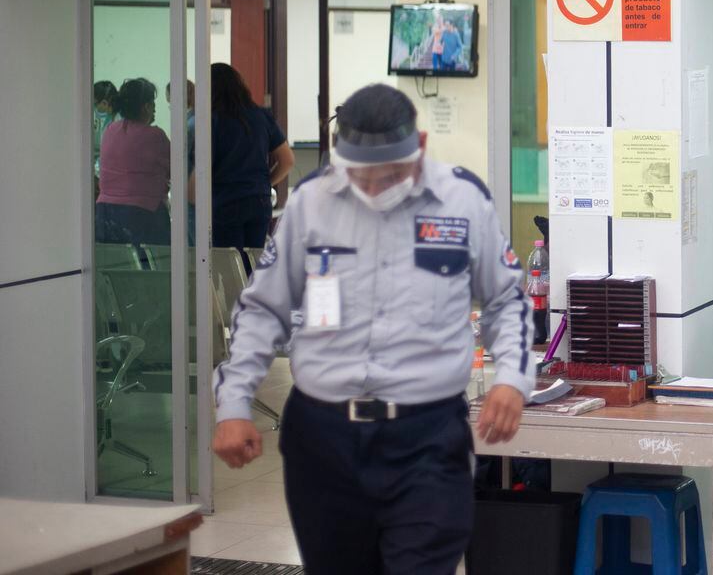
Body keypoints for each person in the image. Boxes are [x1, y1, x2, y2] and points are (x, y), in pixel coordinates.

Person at [212, 83, 535, 575]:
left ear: (420, 147)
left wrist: (511, 378)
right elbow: (262, 310)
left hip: (428, 438)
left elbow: (506, 299)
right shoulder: (310, 203)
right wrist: (234, 402)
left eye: (391, 175)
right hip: (323, 440)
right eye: (361, 175)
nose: (375, 189)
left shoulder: (462, 202)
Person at [188, 64, 294, 271]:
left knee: (229, 269)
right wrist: (265, 183)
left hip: (225, 204)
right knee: (253, 263)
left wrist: (192, 197)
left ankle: (236, 303)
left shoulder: (211, 121)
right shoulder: (261, 116)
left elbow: (199, 175)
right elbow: (287, 160)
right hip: (258, 201)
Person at [95, 77, 171, 247]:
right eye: (153, 103)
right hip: (143, 216)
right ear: (146, 106)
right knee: (155, 269)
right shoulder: (155, 136)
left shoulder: (109, 130)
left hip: (105, 215)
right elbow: (176, 170)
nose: (155, 108)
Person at [92, 80, 117, 175]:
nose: (93, 107)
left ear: (104, 103)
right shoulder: (101, 116)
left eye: (94, 104)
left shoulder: (118, 120)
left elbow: (110, 153)